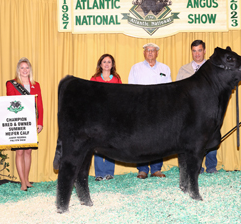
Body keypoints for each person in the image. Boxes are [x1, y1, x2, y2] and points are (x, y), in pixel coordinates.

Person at [128, 43, 172, 179]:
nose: (151, 53)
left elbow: (169, 88)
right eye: (148, 50)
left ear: (157, 53)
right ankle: (142, 169)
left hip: (159, 109)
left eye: (153, 51)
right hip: (141, 108)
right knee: (141, 138)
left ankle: (156, 169)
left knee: (158, 138)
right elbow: (131, 89)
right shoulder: (136, 68)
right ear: (144, 53)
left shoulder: (165, 68)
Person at [176, 40, 218, 174]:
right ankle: (195, 167)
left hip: (210, 109)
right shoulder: (184, 70)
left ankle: (211, 166)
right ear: (191, 52)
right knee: (192, 139)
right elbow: (178, 91)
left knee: (211, 135)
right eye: (194, 51)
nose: (197, 54)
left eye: (199, 50)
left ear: (204, 51)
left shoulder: (214, 69)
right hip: (191, 111)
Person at [6, 57, 43, 191]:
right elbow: (10, 102)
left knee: (28, 151)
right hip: (19, 123)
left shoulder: (36, 85)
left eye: (27, 67)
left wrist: (40, 122)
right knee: (20, 152)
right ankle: (22, 182)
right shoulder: (12, 84)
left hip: (32, 122)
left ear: (30, 69)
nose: (25, 70)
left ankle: (27, 180)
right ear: (18, 70)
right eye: (22, 67)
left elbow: (40, 105)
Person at [90, 54, 122, 181]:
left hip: (112, 117)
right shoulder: (95, 79)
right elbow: (90, 97)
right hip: (98, 117)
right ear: (100, 64)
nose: (107, 64)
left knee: (110, 144)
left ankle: (109, 172)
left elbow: (121, 96)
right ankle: (99, 173)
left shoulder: (117, 79)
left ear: (112, 64)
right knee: (98, 145)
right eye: (104, 62)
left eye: (109, 62)